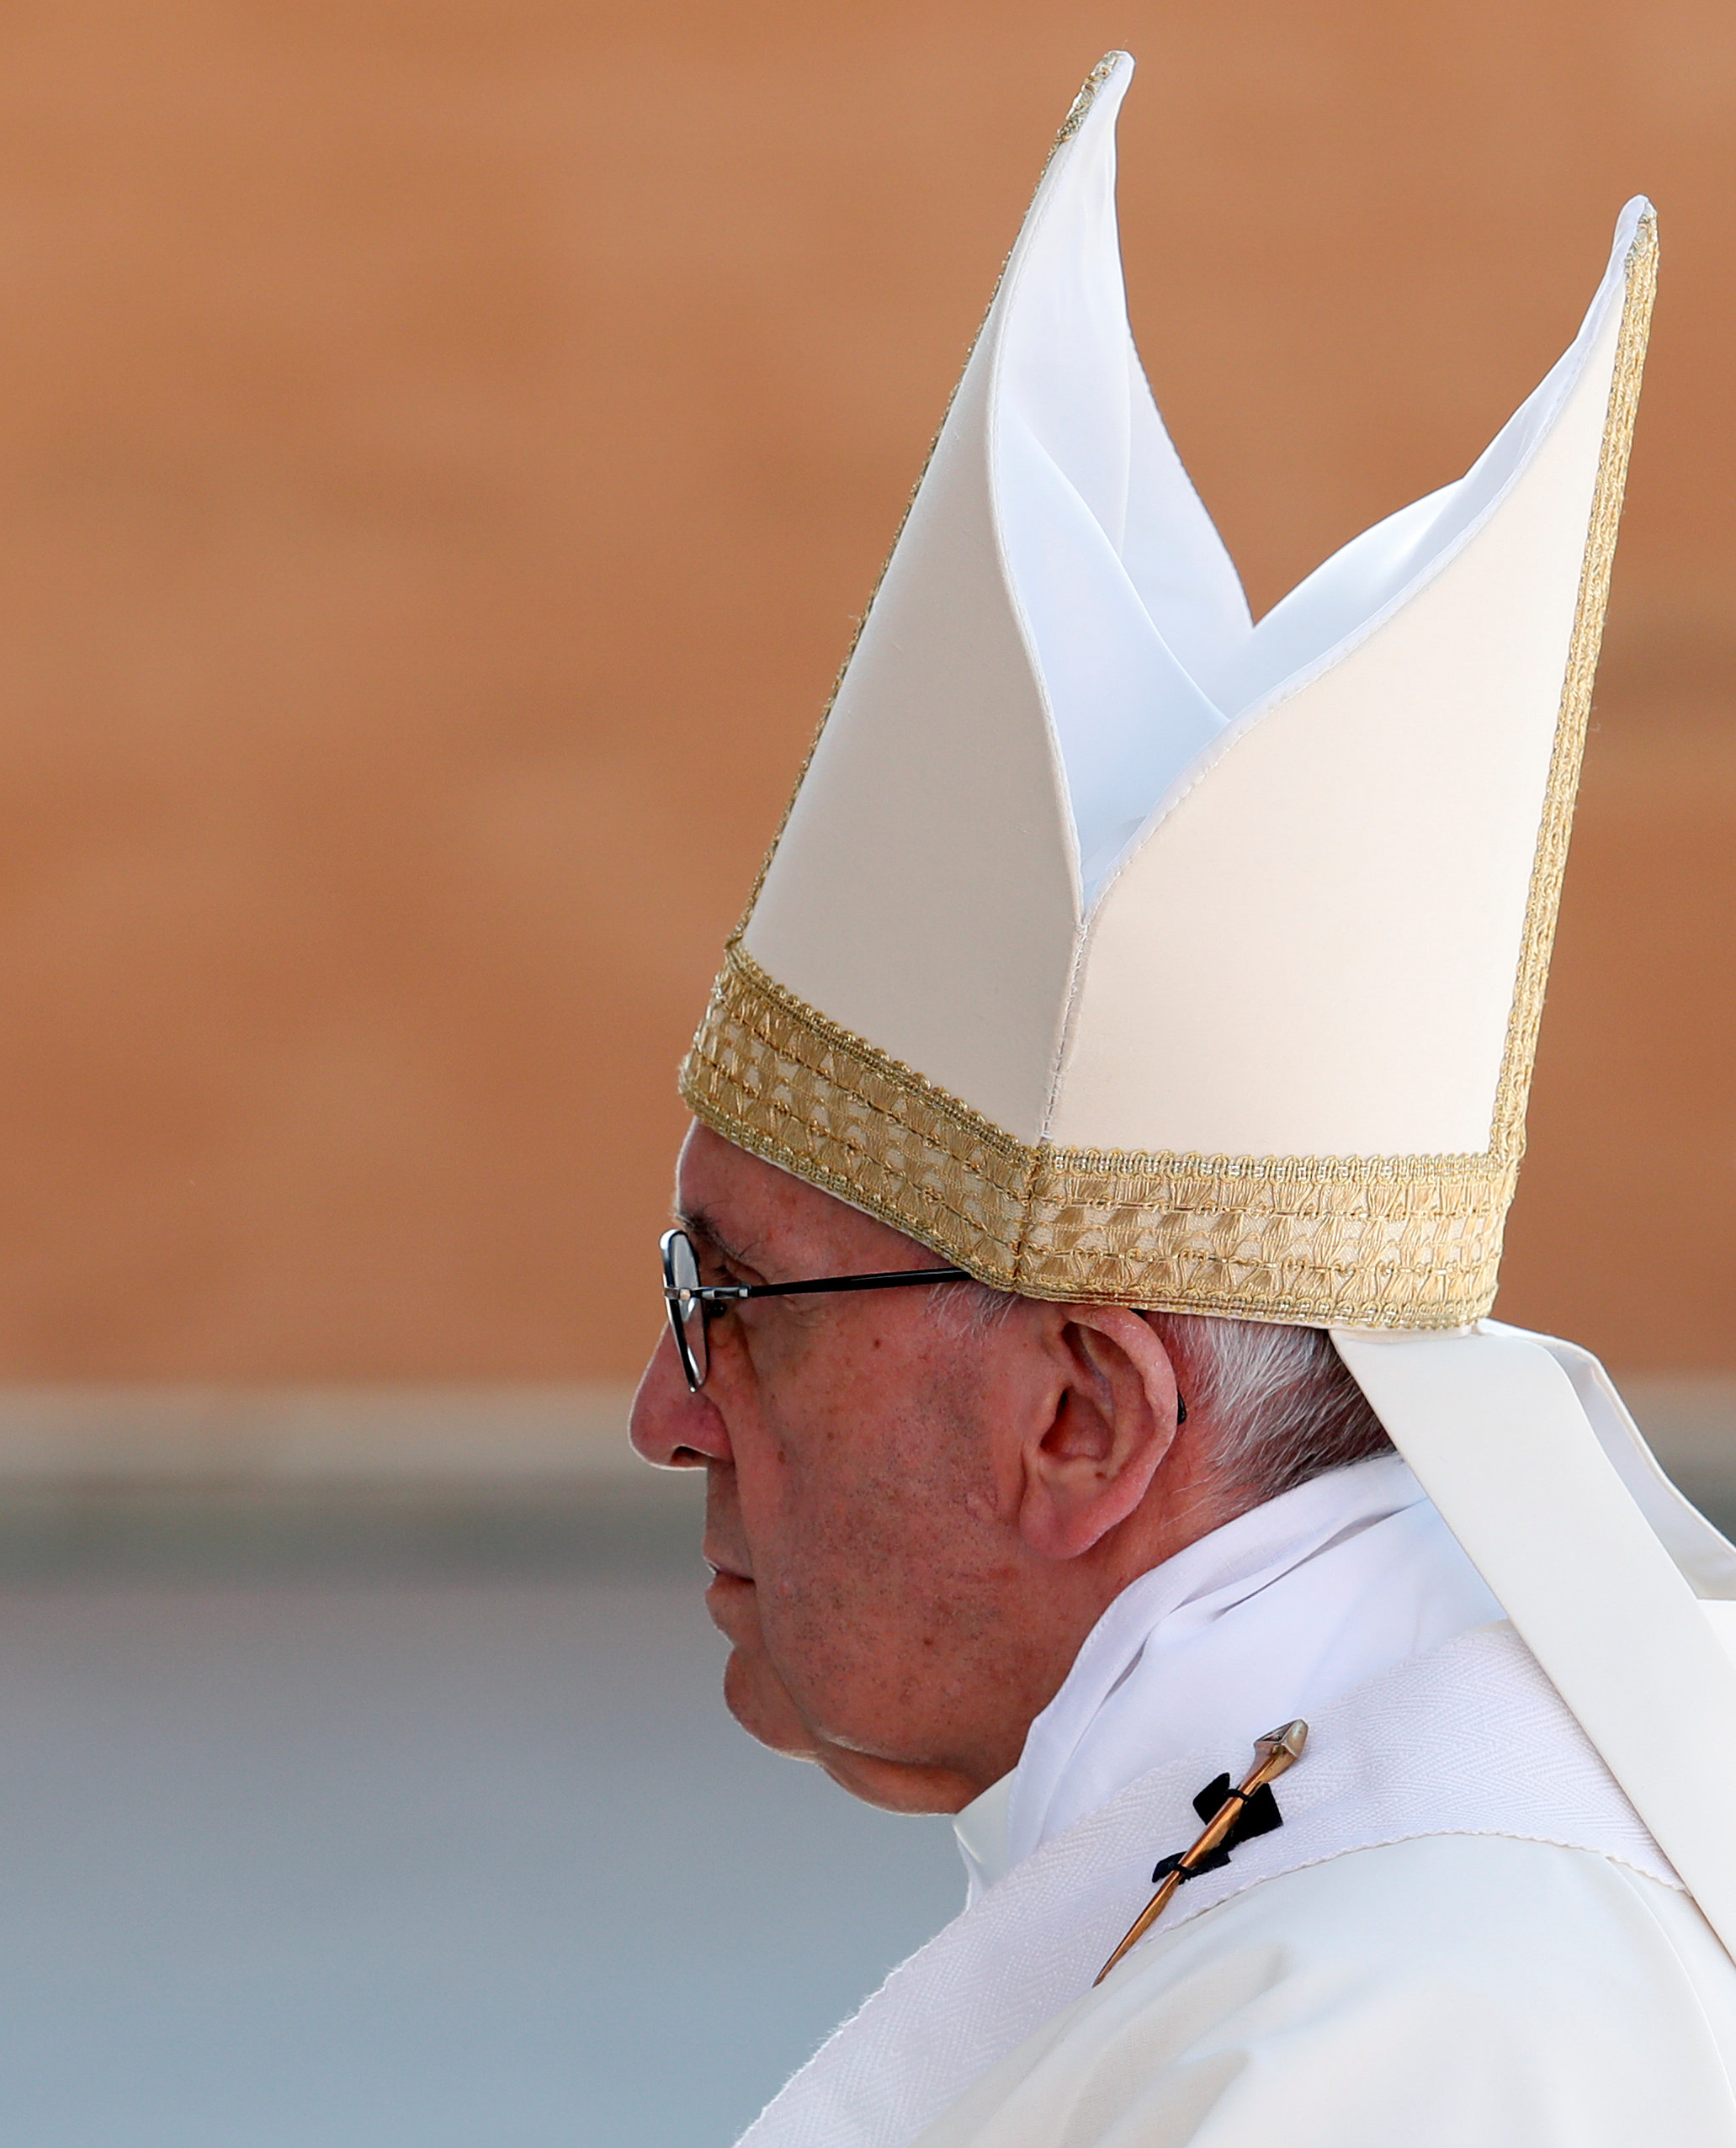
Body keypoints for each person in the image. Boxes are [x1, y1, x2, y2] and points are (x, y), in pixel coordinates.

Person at [626, 51, 1736, 2148]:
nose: (665, 1409)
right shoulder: (1351, 1847)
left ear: (1085, 1416)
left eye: (729, 1299)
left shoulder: (1415, 2024)